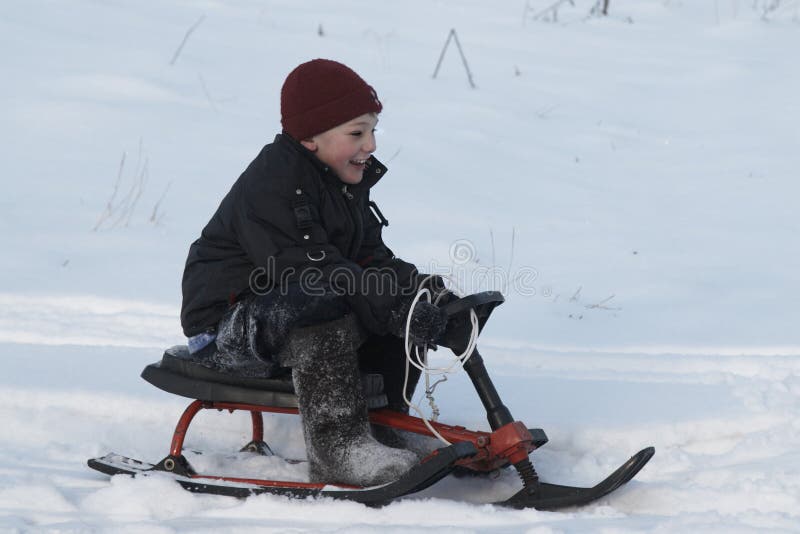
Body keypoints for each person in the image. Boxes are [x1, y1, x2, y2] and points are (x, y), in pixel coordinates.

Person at [179, 59, 449, 487]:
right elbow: (308, 270)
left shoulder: (338, 183)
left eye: (374, 130)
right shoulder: (272, 185)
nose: (372, 144)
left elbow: (368, 259)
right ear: (310, 137)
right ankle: (339, 449)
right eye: (357, 133)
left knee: (397, 299)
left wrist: (418, 294)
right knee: (322, 301)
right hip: (224, 326)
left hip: (288, 303)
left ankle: (383, 426)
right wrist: (387, 303)